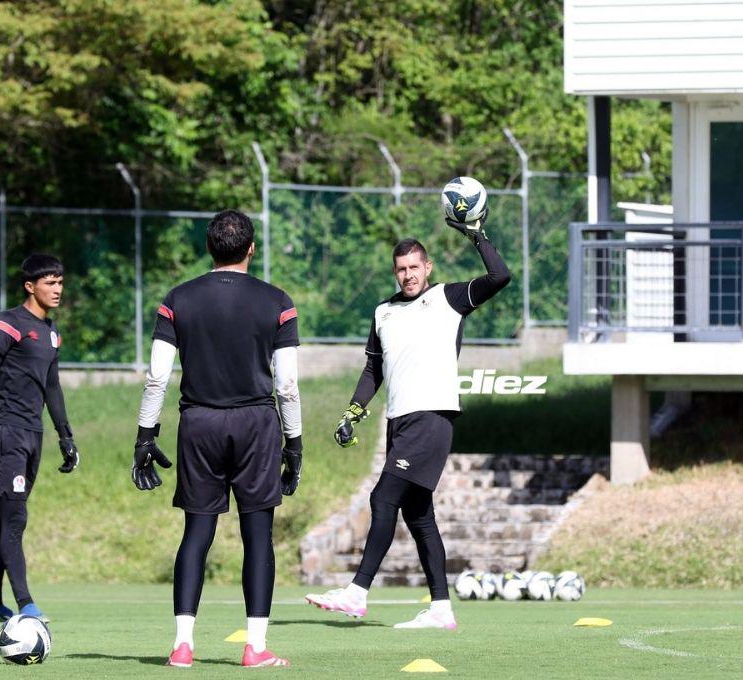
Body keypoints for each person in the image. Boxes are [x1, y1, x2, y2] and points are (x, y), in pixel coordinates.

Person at [305, 203, 510, 630]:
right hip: (398, 422)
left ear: (428, 267)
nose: (408, 275)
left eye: (415, 267)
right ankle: (441, 608)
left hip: (431, 416)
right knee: (419, 515)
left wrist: (476, 234)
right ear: (394, 272)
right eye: (401, 269)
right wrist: (352, 412)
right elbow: (373, 369)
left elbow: (499, 277)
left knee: (383, 499)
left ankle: (357, 592)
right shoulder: (383, 312)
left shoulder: (449, 298)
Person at [132, 209, 303, 667]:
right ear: (252, 249)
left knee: (196, 533)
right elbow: (287, 385)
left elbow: (157, 377)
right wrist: (294, 444)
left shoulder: (178, 298)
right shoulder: (277, 301)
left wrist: (145, 436)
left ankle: (182, 646)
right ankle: (255, 647)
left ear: (209, 248)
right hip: (256, 425)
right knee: (258, 536)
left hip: (199, 424)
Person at [0, 254, 80, 624]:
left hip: (34, 435)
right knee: (15, 518)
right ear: (30, 286)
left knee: (3, 518)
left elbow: (52, 387)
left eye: (60, 282)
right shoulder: (8, 323)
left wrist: (65, 436)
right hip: (6, 434)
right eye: (50, 282)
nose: (58, 289)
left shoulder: (51, 332)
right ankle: (26, 604)